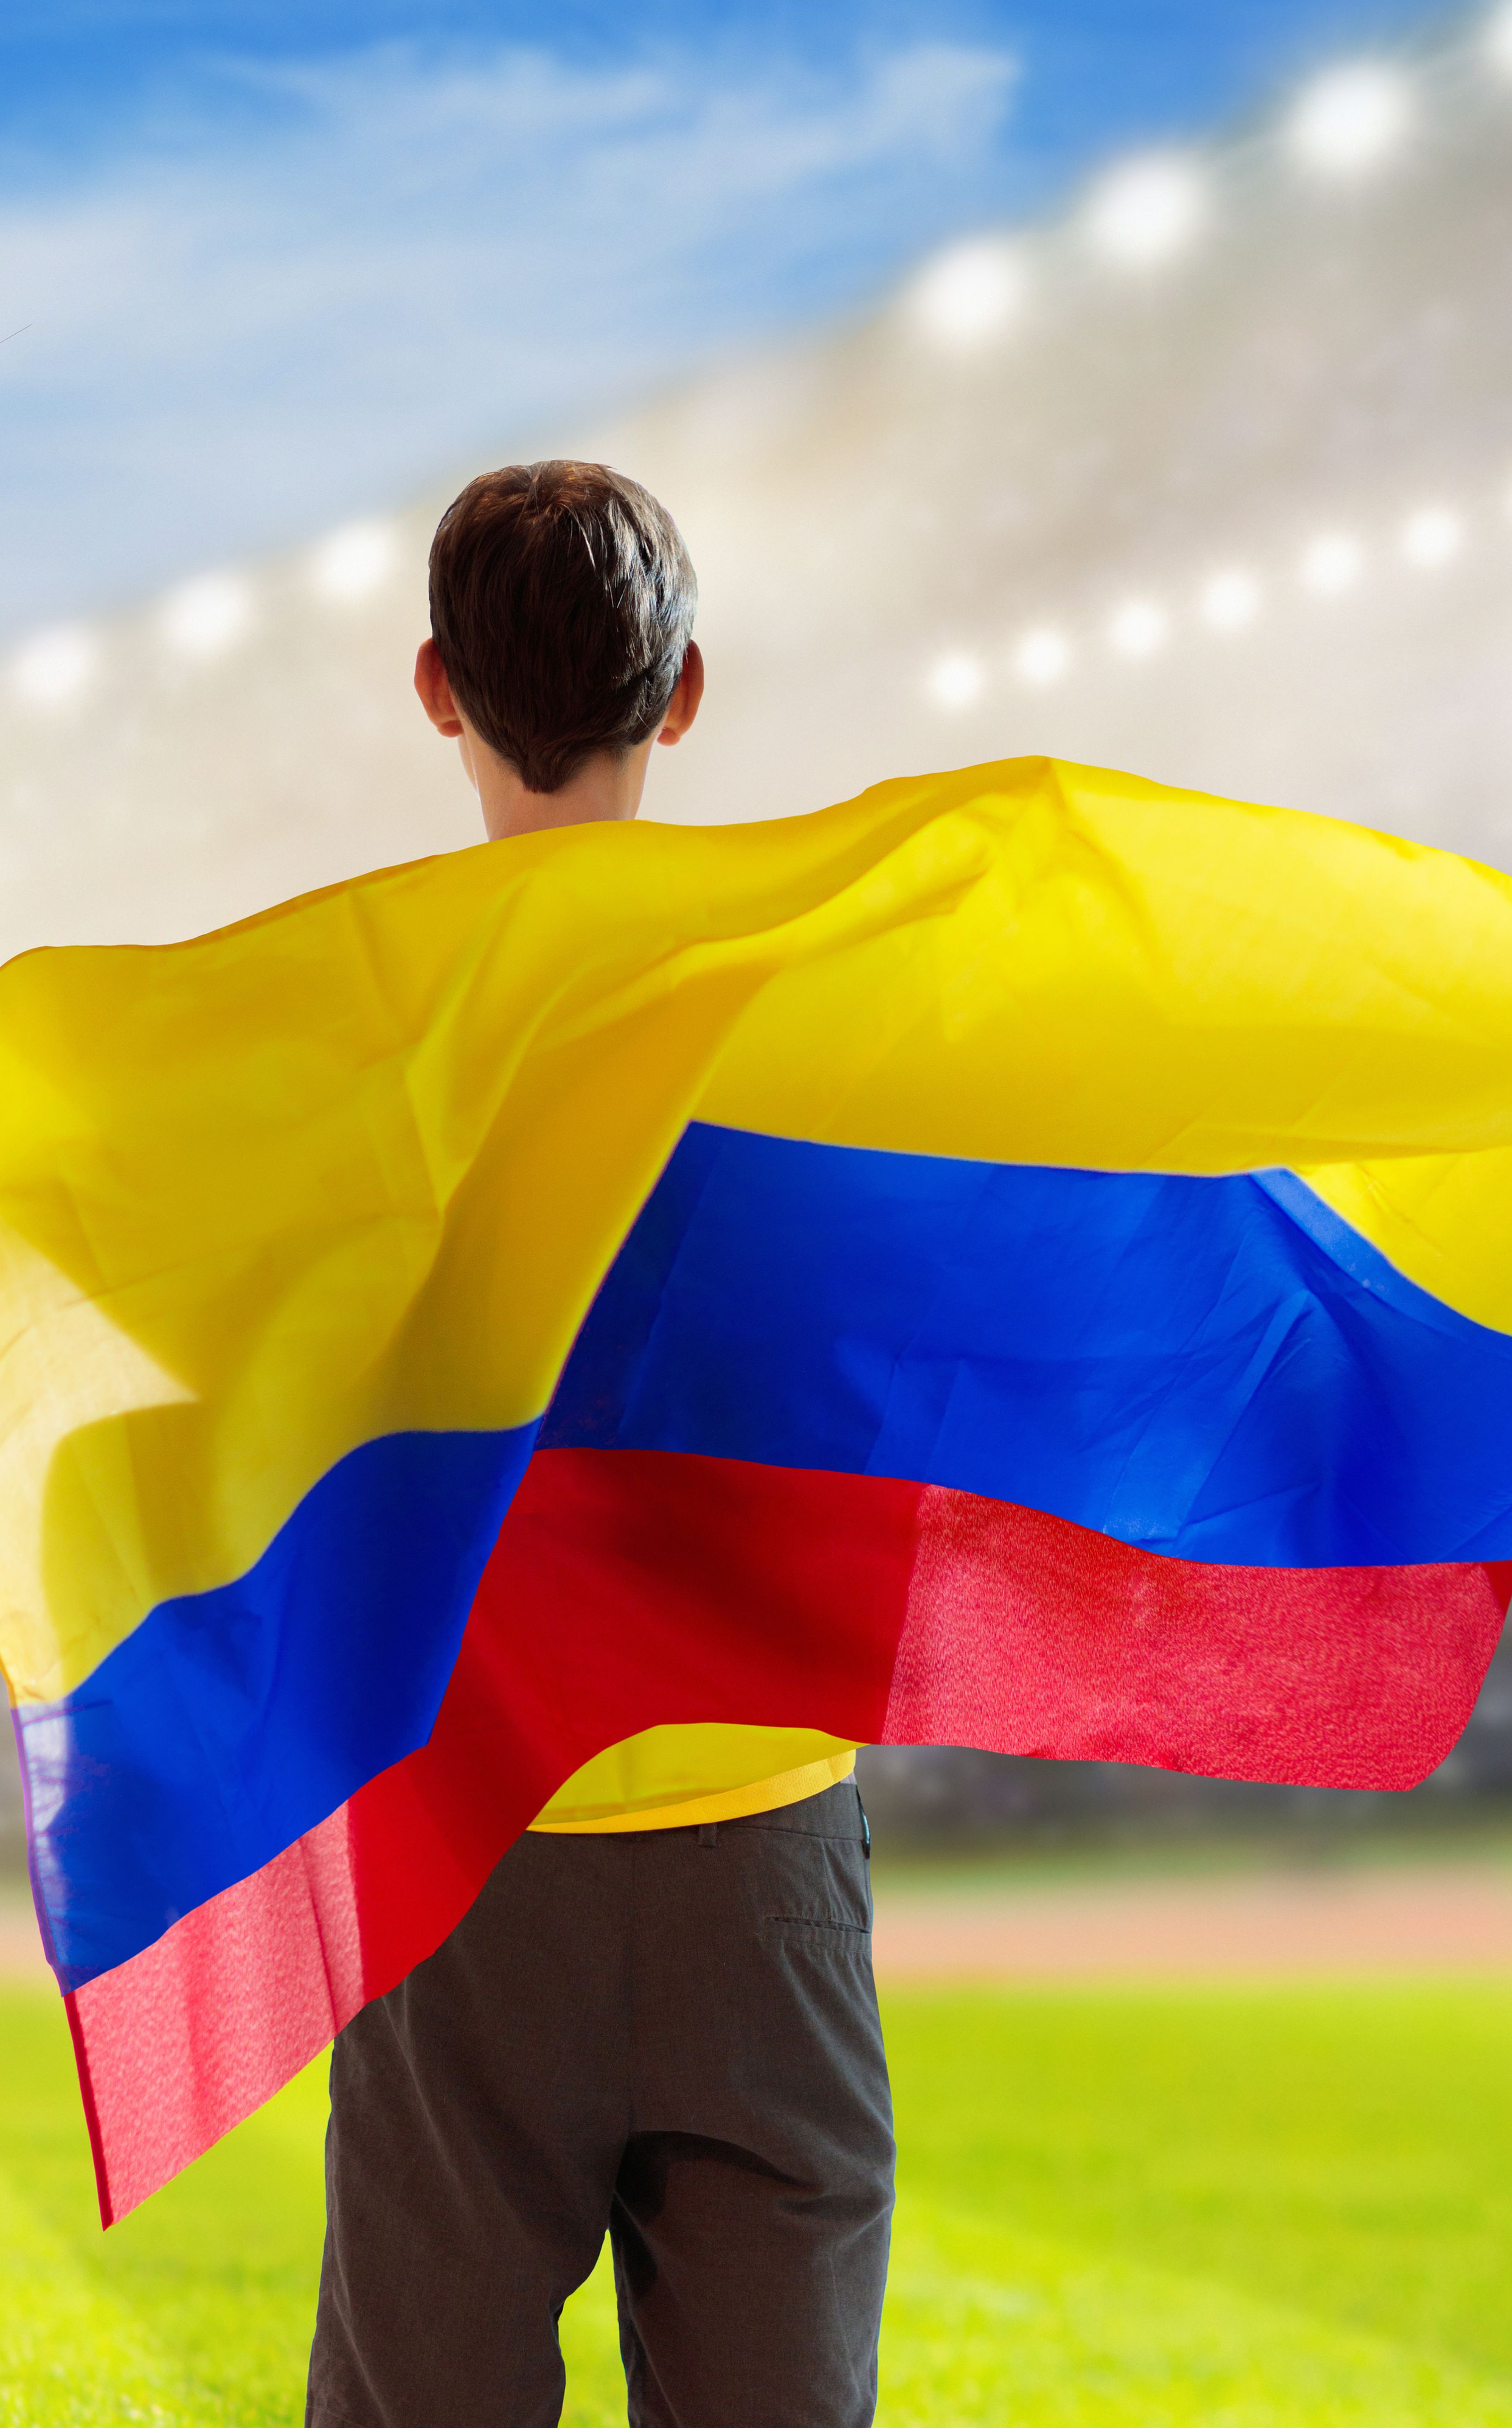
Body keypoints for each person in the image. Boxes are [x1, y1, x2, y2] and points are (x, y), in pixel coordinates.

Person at [309, 459, 894, 2428]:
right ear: (688, 690)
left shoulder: (363, 1038)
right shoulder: (805, 994)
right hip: (759, 1851)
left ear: (432, 689)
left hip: (468, 1840)